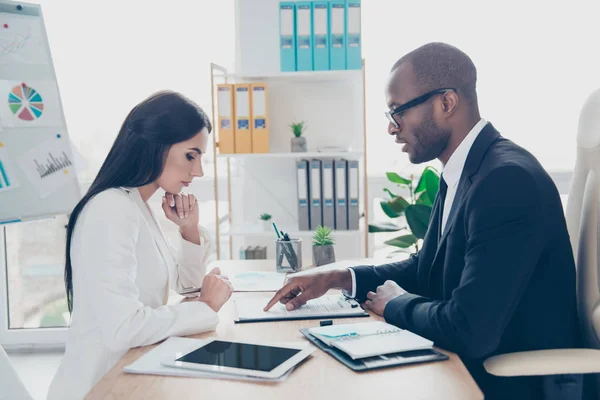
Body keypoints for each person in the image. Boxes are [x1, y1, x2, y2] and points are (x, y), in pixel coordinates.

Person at [265, 43, 582, 399]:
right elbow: (427, 270)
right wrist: (336, 278)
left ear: (446, 103)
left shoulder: (505, 181)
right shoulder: (466, 171)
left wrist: (394, 304)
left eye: (397, 111)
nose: (391, 128)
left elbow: (470, 328)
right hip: (460, 366)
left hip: (502, 383)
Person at [47, 91, 233, 400]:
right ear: (156, 145)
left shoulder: (137, 205)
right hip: (100, 387)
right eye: (191, 155)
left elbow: (185, 285)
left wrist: (188, 229)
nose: (198, 171)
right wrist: (206, 307)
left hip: (129, 373)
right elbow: (124, 328)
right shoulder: (111, 208)